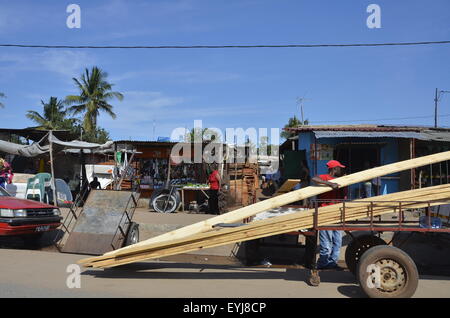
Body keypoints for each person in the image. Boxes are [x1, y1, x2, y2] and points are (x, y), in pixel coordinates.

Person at [311, 160, 347, 270]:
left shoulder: (340, 180)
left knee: (337, 241)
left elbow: (343, 196)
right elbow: (314, 178)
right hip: (325, 212)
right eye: (340, 168)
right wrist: (330, 184)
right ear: (334, 169)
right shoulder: (325, 178)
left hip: (337, 213)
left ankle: (332, 263)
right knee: (326, 241)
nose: (341, 170)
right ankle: (322, 263)